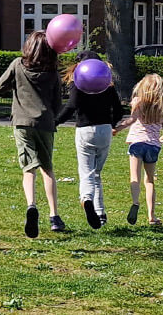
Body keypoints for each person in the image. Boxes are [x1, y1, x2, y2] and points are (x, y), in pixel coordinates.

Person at [0, 31, 65, 238]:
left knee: (28, 168)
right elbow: (58, 102)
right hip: (45, 123)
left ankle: (31, 205)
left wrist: (14, 84)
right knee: (47, 168)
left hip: (22, 123)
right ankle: (54, 216)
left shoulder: (17, 65)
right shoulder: (52, 71)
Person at [56, 51, 124, 229]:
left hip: (84, 129)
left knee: (86, 172)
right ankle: (100, 213)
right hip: (104, 130)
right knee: (96, 173)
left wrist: (56, 121)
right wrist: (111, 124)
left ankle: (87, 199)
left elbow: (71, 106)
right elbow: (119, 111)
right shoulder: (107, 85)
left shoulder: (78, 84)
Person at [113, 74, 163, 226]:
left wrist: (117, 129)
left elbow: (131, 120)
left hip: (137, 143)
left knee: (135, 177)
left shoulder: (138, 102)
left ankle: (135, 202)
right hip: (153, 146)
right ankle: (152, 216)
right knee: (150, 180)